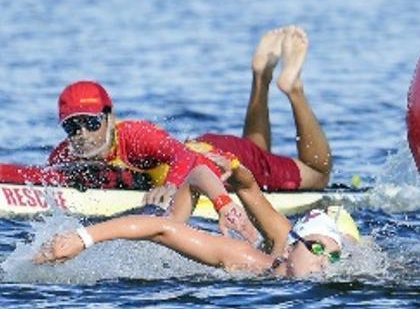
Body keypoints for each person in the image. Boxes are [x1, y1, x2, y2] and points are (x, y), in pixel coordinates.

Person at [50, 26, 334, 205]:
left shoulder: (134, 135)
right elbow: (37, 176)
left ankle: (292, 88)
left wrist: (171, 187)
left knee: (318, 174)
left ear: (110, 117)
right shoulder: (64, 155)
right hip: (208, 144)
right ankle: (261, 76)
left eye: (90, 123)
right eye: (72, 127)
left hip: (225, 158)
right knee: (259, 151)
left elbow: (182, 157)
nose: (82, 135)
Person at [33, 158, 357, 278]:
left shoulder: (287, 248)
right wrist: (83, 237)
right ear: (290, 249)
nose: (325, 261)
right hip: (143, 221)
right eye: (317, 249)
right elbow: (162, 228)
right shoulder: (249, 257)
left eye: (335, 254)